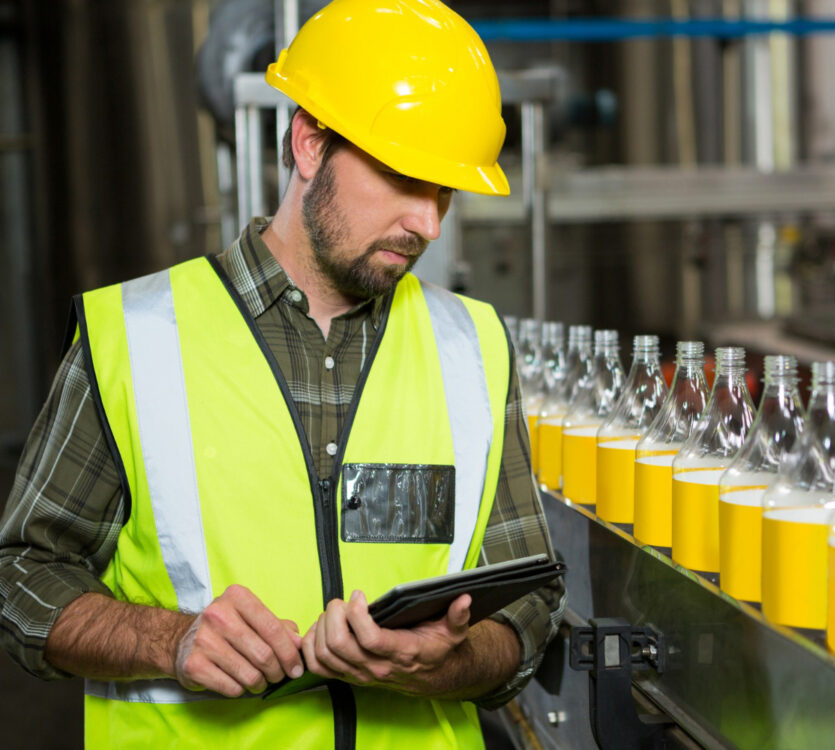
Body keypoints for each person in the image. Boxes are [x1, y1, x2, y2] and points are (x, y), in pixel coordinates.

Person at [0, 1, 565, 747]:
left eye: (444, 193)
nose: (429, 225)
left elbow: (528, 601)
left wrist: (450, 660)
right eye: (406, 178)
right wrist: (166, 640)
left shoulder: (475, 347)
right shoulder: (135, 339)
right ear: (309, 143)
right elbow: (23, 575)